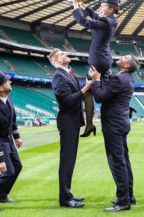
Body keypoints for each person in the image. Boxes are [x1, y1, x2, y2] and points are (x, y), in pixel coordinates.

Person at [89, 54, 139, 212]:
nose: (121, 57)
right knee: (124, 160)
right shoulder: (127, 78)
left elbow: (99, 97)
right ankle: (128, 195)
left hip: (113, 125)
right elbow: (113, 88)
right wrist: (107, 76)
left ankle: (123, 201)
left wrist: (96, 80)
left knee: (117, 162)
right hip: (121, 123)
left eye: (125, 57)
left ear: (126, 65)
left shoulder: (120, 79)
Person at [49, 49, 92, 208]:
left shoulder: (68, 74)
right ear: (56, 61)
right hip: (68, 123)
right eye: (61, 54)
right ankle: (65, 198)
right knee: (67, 161)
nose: (65, 54)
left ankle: (67, 194)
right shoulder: (58, 77)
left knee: (70, 160)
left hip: (72, 122)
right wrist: (86, 88)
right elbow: (68, 101)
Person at [72, 0, 119, 137]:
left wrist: (75, 5)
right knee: (101, 91)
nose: (100, 8)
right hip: (103, 59)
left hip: (98, 61)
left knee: (88, 91)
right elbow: (96, 16)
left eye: (103, 6)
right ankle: (94, 123)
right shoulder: (109, 20)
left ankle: (90, 124)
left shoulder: (106, 22)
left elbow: (84, 22)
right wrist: (84, 7)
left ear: (111, 9)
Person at [0, 71, 22, 205]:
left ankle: (2, 194)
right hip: (0, 143)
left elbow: (12, 119)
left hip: (9, 140)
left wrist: (17, 136)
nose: (10, 82)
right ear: (0, 87)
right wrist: (0, 159)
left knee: (17, 167)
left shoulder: (8, 96)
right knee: (8, 172)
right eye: (7, 80)